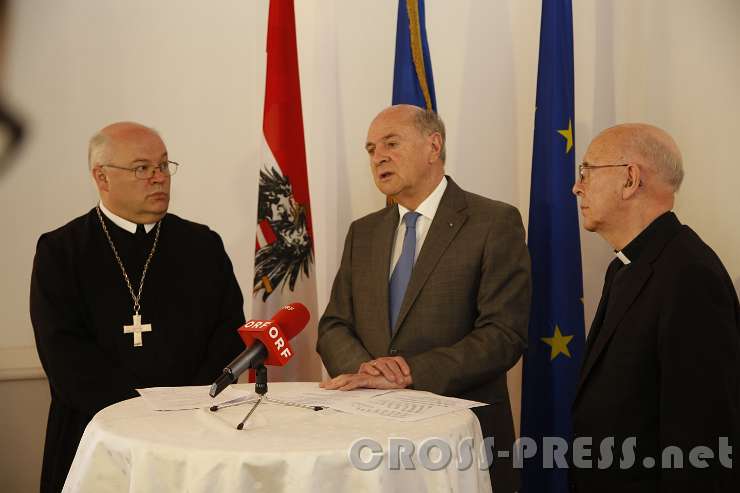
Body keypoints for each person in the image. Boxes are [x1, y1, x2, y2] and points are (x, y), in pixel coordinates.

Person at [317, 105, 531, 492]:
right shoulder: (362, 233)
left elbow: (503, 334)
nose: (378, 156)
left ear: (434, 146)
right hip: (369, 442)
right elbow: (333, 325)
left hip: (460, 445)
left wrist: (409, 371)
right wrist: (368, 372)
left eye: (391, 143)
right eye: (370, 149)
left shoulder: (493, 222)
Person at [30, 122, 246, 492]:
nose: (159, 178)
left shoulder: (202, 245)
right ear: (102, 177)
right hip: (97, 434)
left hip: (193, 433)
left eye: (163, 166)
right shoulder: (61, 251)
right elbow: (63, 354)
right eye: (142, 168)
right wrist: (136, 416)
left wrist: (189, 405)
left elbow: (228, 334)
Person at [570, 123, 740, 491]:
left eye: (587, 171)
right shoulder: (624, 266)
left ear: (630, 179)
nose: (577, 186)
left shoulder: (690, 276)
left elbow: (703, 441)